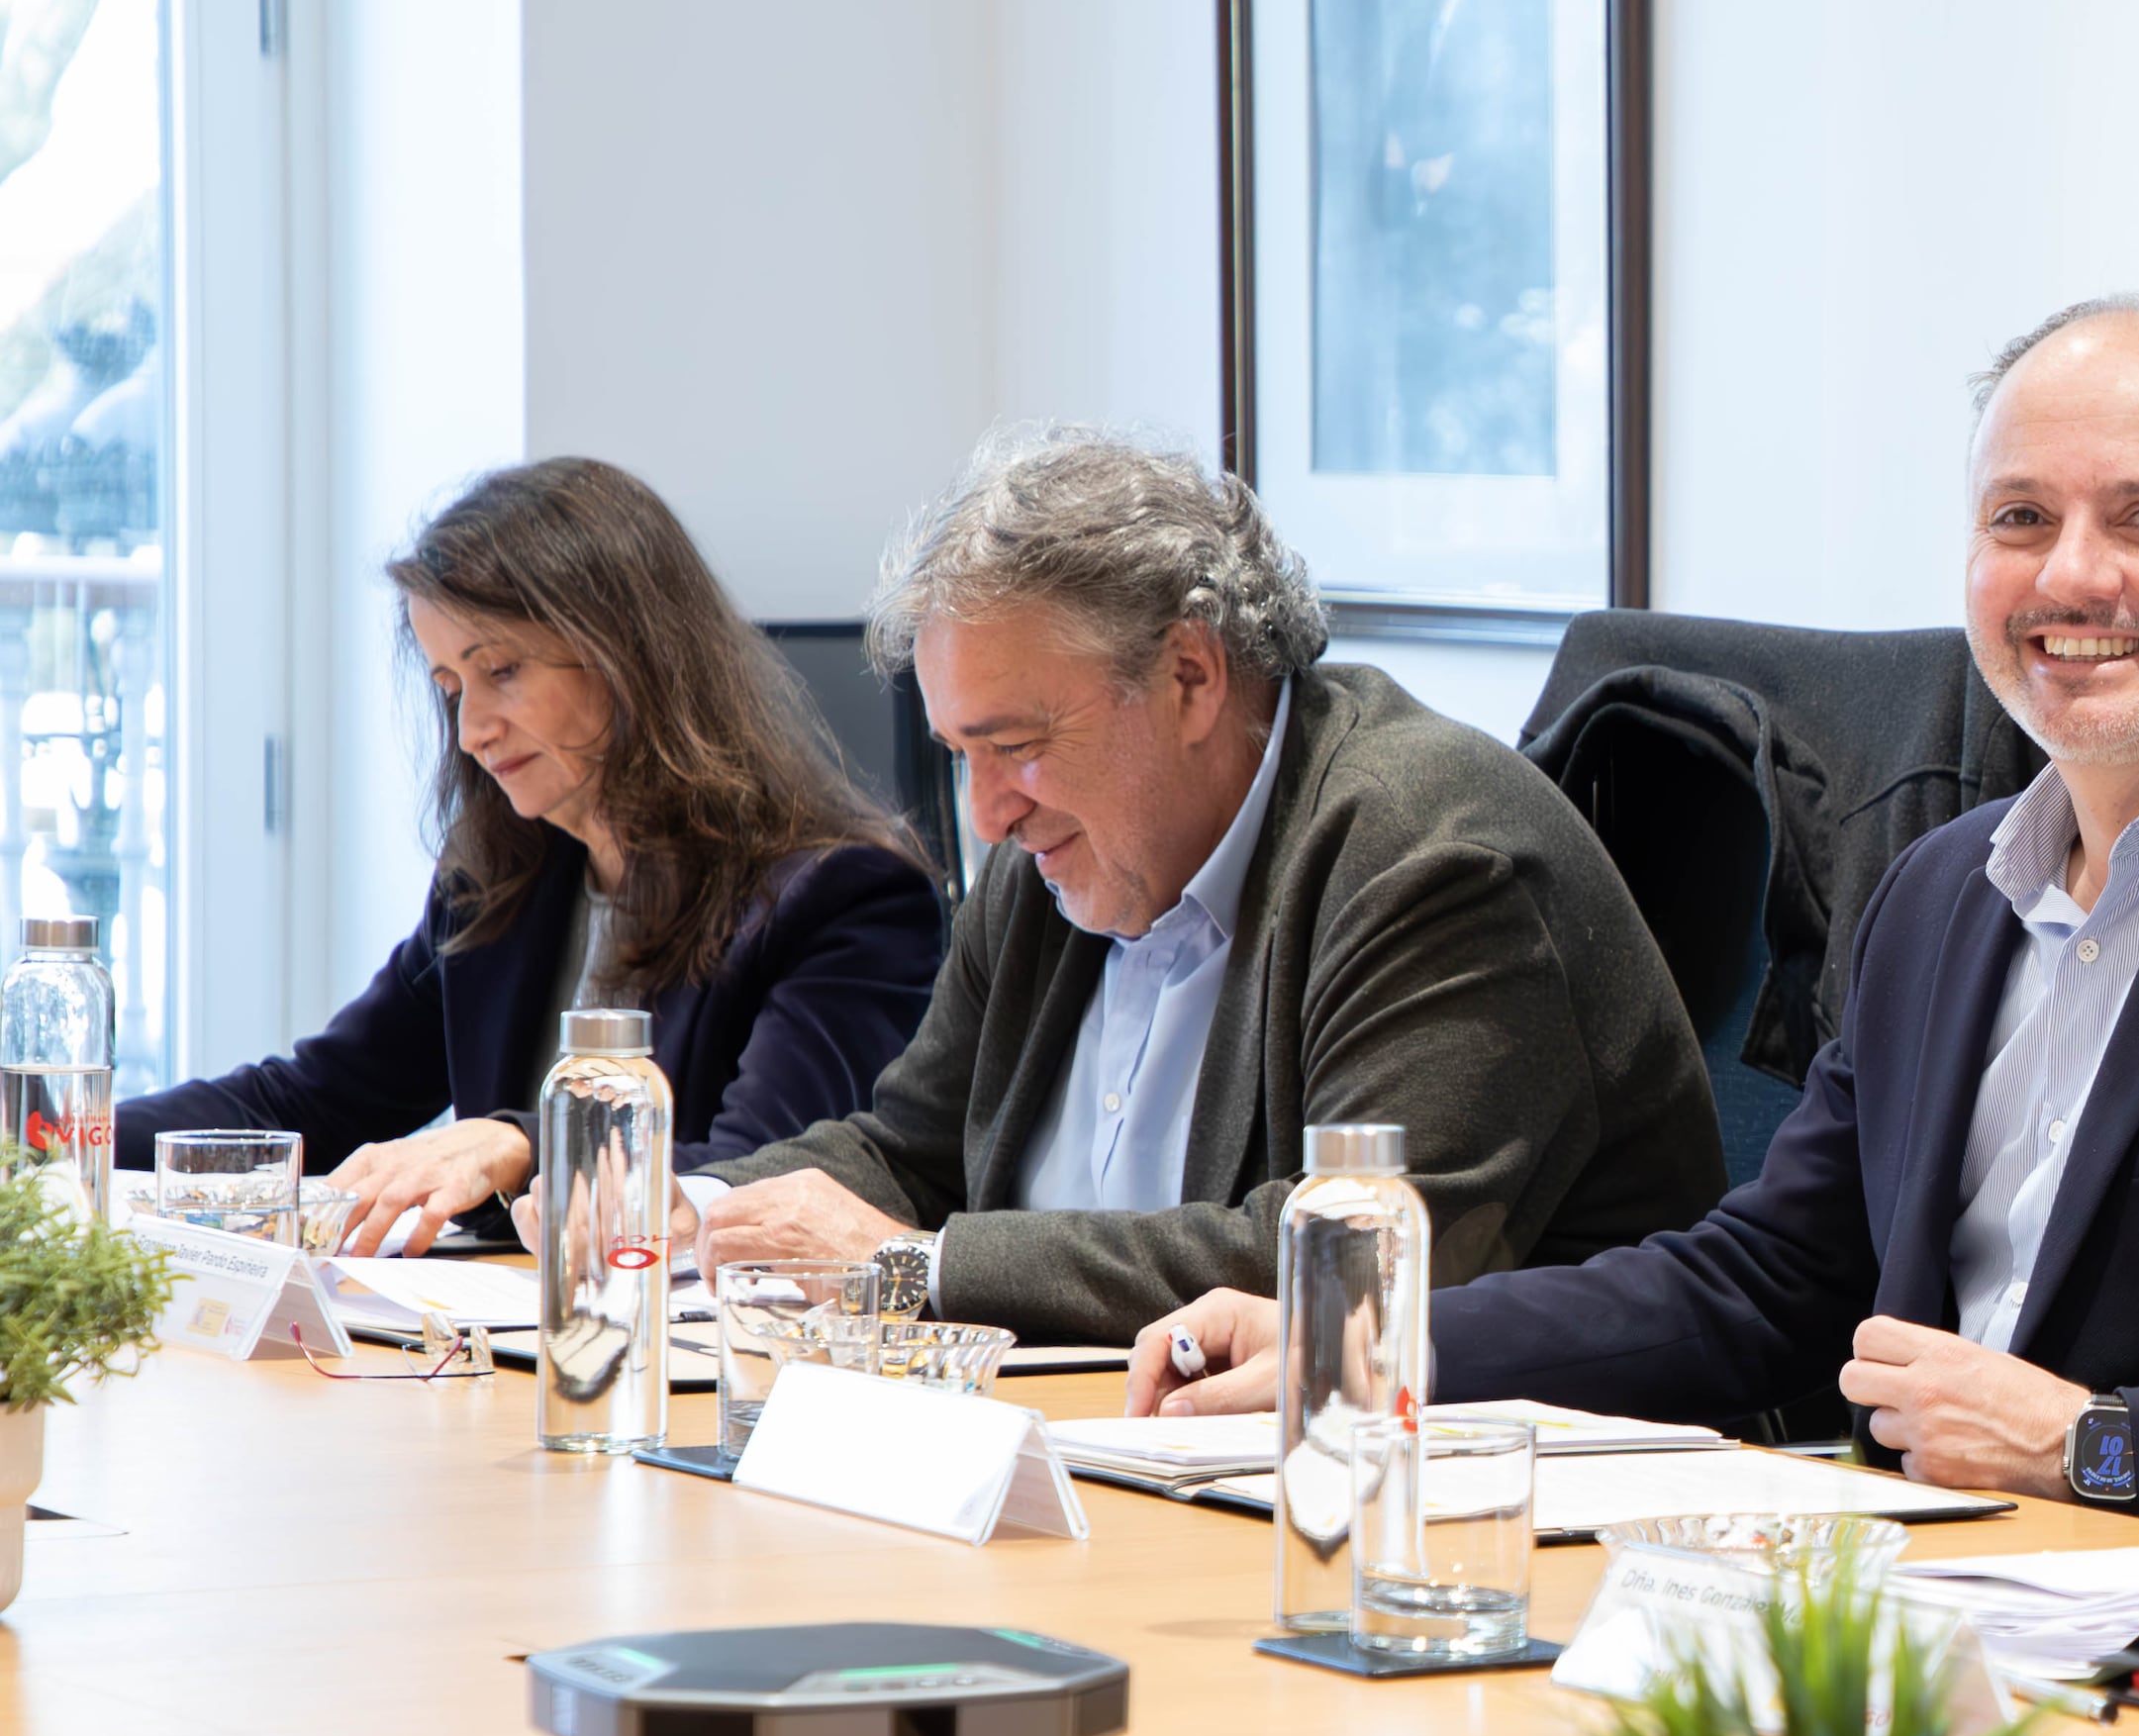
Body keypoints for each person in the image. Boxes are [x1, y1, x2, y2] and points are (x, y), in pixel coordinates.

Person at [1126, 294, 2139, 1501]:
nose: (2074, 576)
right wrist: (1381, 1336)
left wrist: (2098, 1443)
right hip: (1909, 1596)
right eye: (2022, 519)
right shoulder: (1939, 893)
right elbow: (1764, 1283)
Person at [697, 427, 1721, 1344]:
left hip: (1456, 1486)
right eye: (962, 753)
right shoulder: (1058, 851)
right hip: (1118, 1445)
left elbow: (1346, 1251)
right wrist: (695, 1208)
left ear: (1190, 675)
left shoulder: (1432, 855)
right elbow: (911, 1155)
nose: (986, 813)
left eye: (1012, 745)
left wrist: (912, 1270)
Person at [119, 456, 941, 1254]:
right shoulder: (500, 877)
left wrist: (518, 1141)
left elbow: (761, 1180)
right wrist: (49, 1133)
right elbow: (319, 1096)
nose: (472, 730)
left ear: (630, 656)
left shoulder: (846, 897)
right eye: (450, 688)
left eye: (501, 671)